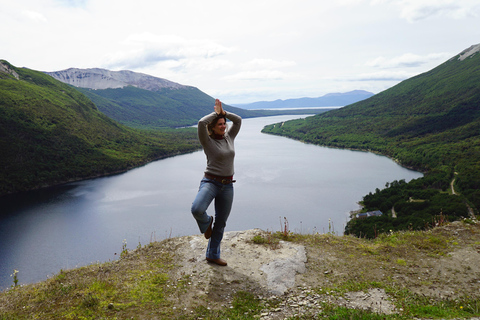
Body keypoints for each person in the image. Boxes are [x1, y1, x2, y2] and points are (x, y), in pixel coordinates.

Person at [191, 99, 242, 266]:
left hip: (228, 185)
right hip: (210, 182)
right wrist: (216, 113)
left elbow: (238, 120)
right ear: (212, 127)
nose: (223, 126)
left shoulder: (229, 137)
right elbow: (200, 122)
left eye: (223, 123)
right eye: (219, 124)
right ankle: (206, 224)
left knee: (221, 223)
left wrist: (224, 113)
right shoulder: (207, 141)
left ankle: (213, 254)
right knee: (197, 208)